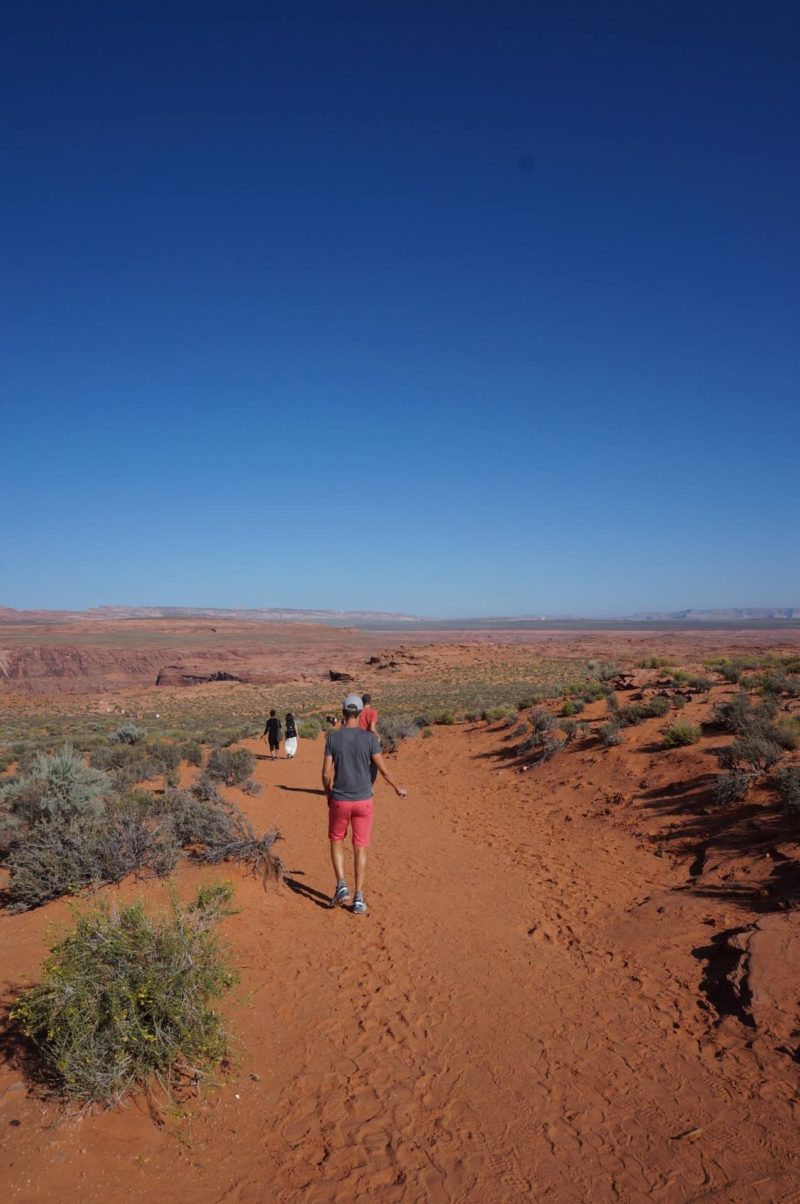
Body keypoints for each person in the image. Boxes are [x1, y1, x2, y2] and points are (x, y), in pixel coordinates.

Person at [322, 693, 406, 915]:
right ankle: (358, 898)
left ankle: (342, 885)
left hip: (340, 800)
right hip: (364, 801)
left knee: (336, 840)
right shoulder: (369, 739)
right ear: (360, 713)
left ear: (343, 712)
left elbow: (326, 773)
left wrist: (328, 793)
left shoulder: (333, 739)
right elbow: (383, 769)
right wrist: (397, 787)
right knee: (360, 847)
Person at [359, 692, 379, 785]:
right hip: (368, 741)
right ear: (370, 702)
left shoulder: (358, 712)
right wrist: (378, 735)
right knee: (374, 763)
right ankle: (369, 785)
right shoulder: (372, 712)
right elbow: (372, 728)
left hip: (356, 739)